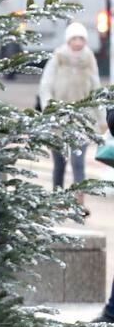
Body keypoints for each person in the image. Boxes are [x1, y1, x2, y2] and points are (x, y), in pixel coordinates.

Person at [39, 20, 101, 203]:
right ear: (68, 40)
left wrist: (102, 119)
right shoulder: (58, 59)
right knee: (59, 163)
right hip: (59, 121)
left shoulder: (89, 61)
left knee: (78, 162)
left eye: (81, 39)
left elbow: (96, 90)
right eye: (74, 39)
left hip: (81, 121)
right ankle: (57, 199)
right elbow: (45, 87)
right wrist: (50, 110)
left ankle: (79, 201)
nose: (78, 43)